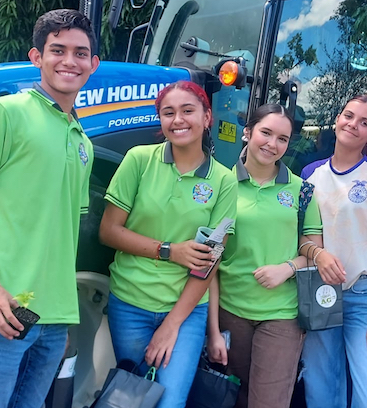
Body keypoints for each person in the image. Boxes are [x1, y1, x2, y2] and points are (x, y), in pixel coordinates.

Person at [0, 9, 99, 407]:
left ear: (93, 64)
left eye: (80, 53)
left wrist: (60, 315)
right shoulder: (5, 113)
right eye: (58, 50)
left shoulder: (84, 142)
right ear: (36, 57)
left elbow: (62, 237)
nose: (70, 61)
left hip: (51, 319)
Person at [99, 80, 237, 408]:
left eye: (188, 111)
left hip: (186, 311)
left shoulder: (223, 181)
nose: (178, 119)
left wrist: (172, 324)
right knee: (132, 400)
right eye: (168, 112)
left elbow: (209, 261)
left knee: (170, 402)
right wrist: (170, 250)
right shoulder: (138, 160)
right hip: (130, 302)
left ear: (207, 118)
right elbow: (108, 231)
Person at [207, 104, 323, 408]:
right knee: (234, 397)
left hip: (281, 313)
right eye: (266, 133)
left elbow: (314, 249)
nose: (272, 144)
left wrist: (287, 268)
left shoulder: (302, 190)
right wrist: (213, 329)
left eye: (282, 139)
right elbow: (210, 262)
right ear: (247, 133)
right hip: (231, 311)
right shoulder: (220, 184)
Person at [300, 95, 367, 408]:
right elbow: (302, 240)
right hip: (320, 293)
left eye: (365, 123)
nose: (353, 125)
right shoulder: (310, 174)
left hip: (364, 297)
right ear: (337, 119)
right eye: (348, 116)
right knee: (321, 391)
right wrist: (317, 255)